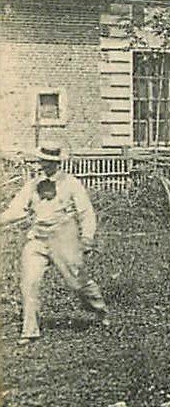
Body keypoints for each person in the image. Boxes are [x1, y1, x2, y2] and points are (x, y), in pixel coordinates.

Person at [0, 143, 109, 342]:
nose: (46, 165)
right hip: (38, 238)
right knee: (29, 283)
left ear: (58, 163)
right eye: (43, 161)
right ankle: (29, 331)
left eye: (50, 162)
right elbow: (17, 209)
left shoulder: (71, 183)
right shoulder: (33, 185)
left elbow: (86, 213)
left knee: (77, 282)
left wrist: (87, 238)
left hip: (64, 237)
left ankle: (100, 310)